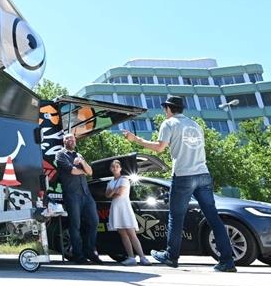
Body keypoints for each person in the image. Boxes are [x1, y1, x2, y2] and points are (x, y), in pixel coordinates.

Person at [124, 94, 237, 272]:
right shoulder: (195, 125)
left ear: (168, 108)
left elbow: (160, 148)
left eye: (164, 108)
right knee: (213, 218)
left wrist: (136, 140)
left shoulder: (169, 124)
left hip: (184, 175)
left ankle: (171, 256)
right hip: (203, 174)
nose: (164, 111)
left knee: (176, 217)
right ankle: (227, 261)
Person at [55, 133, 101, 263]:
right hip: (72, 195)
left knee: (94, 222)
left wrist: (82, 162)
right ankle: (78, 255)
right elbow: (73, 171)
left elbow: (90, 172)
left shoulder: (78, 155)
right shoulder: (60, 154)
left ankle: (90, 252)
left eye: (73, 138)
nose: (71, 140)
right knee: (75, 225)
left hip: (86, 195)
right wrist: (83, 170)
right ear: (64, 141)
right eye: (68, 138)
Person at [104, 159, 151, 266]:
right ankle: (131, 257)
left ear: (120, 168)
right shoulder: (110, 182)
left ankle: (142, 257)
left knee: (131, 233)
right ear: (110, 169)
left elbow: (119, 193)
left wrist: (113, 192)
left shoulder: (124, 179)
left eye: (117, 166)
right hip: (116, 208)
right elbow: (107, 195)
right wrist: (113, 191)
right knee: (123, 233)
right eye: (113, 167)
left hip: (124, 208)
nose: (115, 168)